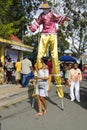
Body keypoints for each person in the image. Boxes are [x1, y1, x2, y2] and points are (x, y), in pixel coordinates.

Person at [29, 0, 68, 98]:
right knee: (39, 56)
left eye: (46, 8)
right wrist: (32, 27)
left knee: (55, 57)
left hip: (53, 35)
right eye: (44, 9)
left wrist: (64, 19)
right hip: (44, 35)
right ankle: (36, 86)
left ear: (49, 8)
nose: (45, 10)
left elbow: (59, 19)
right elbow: (36, 24)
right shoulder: (41, 16)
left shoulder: (52, 14)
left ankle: (59, 88)